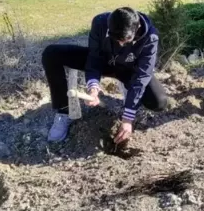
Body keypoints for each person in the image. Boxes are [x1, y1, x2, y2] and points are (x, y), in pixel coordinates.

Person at [42, 7, 167, 143]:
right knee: (51, 54)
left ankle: (128, 93)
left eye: (125, 41)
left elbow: (142, 76)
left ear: (138, 28)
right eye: (116, 39)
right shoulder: (100, 22)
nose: (120, 44)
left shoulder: (150, 37)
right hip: (104, 62)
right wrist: (93, 86)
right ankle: (64, 111)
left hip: (129, 70)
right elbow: (94, 58)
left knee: (159, 102)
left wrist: (128, 118)